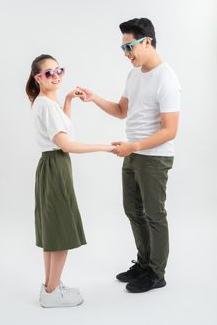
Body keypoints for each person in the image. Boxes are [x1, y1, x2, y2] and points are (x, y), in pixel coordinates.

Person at [77, 18, 181, 293]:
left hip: (153, 156)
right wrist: (94, 98)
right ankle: (144, 263)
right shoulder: (134, 74)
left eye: (129, 47)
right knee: (133, 210)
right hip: (132, 152)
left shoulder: (166, 78)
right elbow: (122, 110)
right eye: (122, 48)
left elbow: (170, 131)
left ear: (147, 41)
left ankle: (157, 273)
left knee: (154, 214)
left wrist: (133, 147)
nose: (126, 54)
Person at [25, 54, 114, 307]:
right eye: (49, 73)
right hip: (56, 166)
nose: (57, 75)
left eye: (59, 70)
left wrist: (67, 100)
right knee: (61, 232)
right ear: (38, 78)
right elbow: (66, 144)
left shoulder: (45, 103)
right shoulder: (45, 105)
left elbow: (64, 128)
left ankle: (50, 287)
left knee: (53, 231)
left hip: (50, 165)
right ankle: (53, 293)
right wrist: (105, 147)